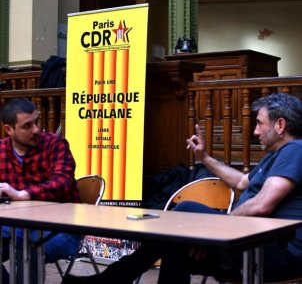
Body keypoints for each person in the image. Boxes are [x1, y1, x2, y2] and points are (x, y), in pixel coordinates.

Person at [64, 92, 302, 283]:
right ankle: (110, 280)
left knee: (185, 211)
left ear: (280, 125)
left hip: (280, 252)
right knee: (175, 246)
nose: (255, 131)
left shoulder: (295, 150)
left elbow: (262, 205)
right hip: (250, 242)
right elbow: (242, 182)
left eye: (260, 124)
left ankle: (109, 280)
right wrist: (205, 158)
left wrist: (216, 233)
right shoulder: (276, 156)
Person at [0, 98, 82, 283]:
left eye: (37, 122)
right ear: (9, 130)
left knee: (27, 253)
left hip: (63, 225)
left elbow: (63, 181)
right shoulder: (1, 150)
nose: (36, 129)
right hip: (17, 226)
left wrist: (23, 194)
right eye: (27, 126)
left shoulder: (55, 144)